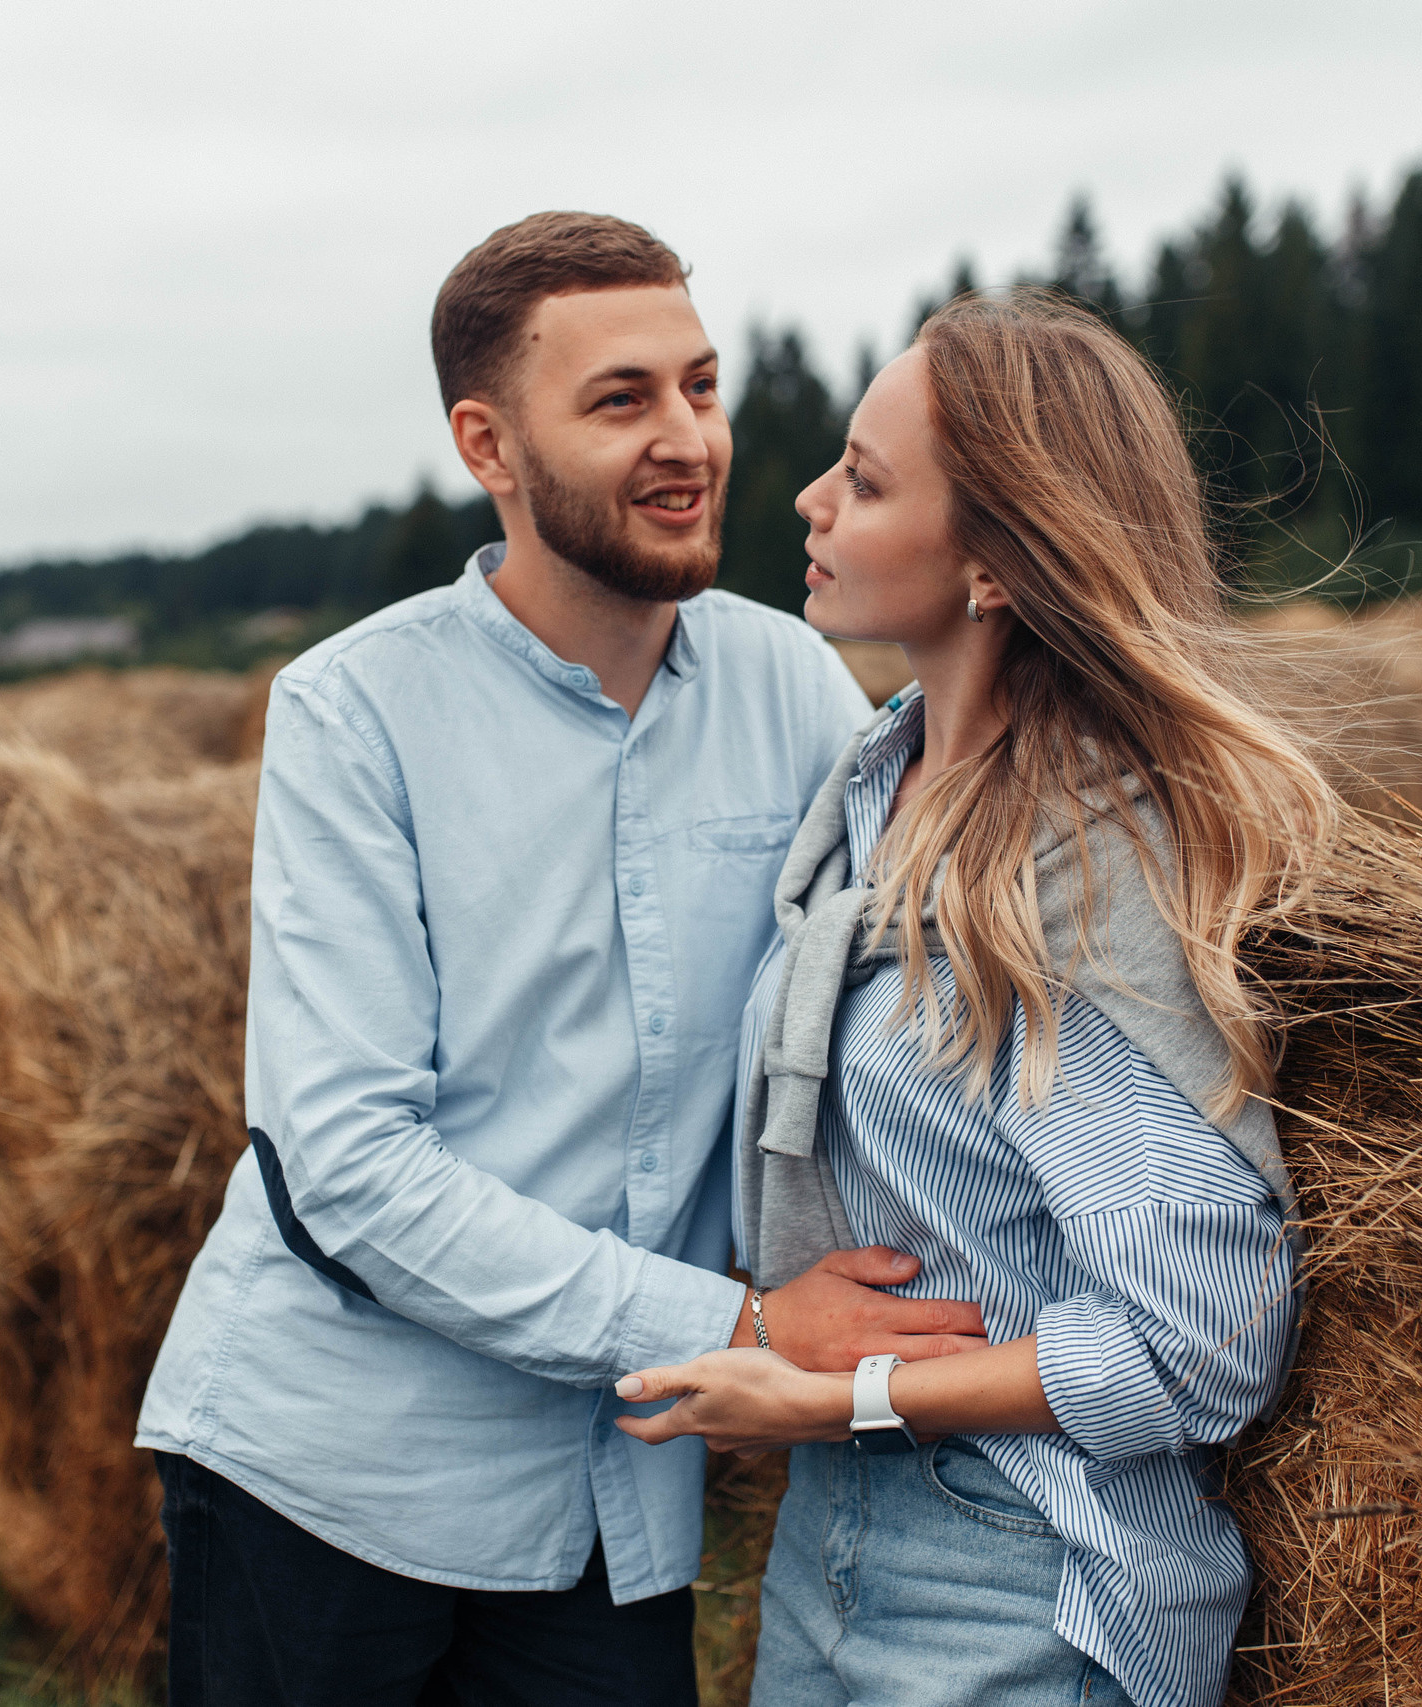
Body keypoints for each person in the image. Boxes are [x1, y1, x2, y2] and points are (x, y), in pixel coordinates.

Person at [135, 211, 991, 1707]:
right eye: (621, 401)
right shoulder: (354, 714)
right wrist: (739, 1324)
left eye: (701, 388)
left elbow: (924, 952)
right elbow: (343, 1161)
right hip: (332, 1474)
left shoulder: (794, 685)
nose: (688, 441)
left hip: (615, 1497)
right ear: (489, 445)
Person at [613, 288, 1340, 1707]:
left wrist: (838, 1396)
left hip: (1022, 1570)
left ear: (998, 565)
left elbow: (1205, 1335)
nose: (811, 500)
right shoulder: (874, 788)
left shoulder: (1079, 868)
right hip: (839, 1528)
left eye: (868, 483)